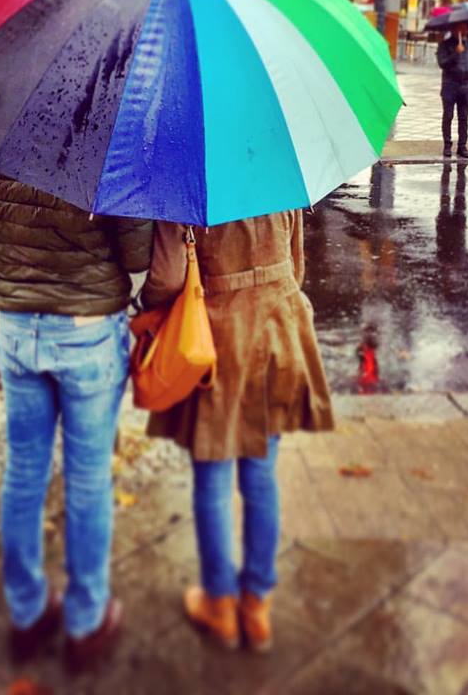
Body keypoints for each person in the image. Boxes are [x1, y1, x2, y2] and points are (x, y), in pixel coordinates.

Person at [0, 141, 153, 671]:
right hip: (87, 332)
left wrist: (10, 297)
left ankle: (28, 612)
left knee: (23, 474)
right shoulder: (109, 125)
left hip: (16, 329)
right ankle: (86, 623)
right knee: (87, 483)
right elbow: (135, 255)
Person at [141, 212, 334, 653]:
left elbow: (167, 279)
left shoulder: (187, 186)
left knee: (212, 473)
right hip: (276, 326)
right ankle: (257, 606)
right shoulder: (280, 172)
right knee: (261, 472)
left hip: (218, 332)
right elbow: (296, 266)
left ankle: (220, 603)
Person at [436, 22, 468, 159]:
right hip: (450, 85)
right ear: (454, 29)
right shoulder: (445, 45)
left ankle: (462, 146)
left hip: (465, 86)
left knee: (464, 118)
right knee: (448, 116)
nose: (463, 30)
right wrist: (455, 53)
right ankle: (447, 145)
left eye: (465, 27)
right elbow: (442, 63)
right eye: (460, 27)